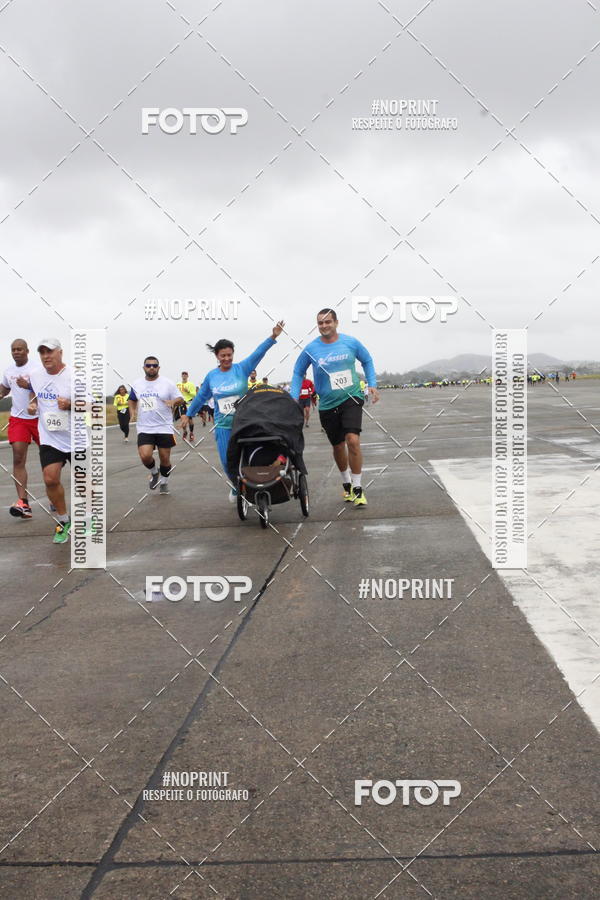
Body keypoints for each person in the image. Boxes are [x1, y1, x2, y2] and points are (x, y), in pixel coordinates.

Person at [182, 321, 284, 501]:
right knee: (228, 463)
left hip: (246, 422)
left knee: (255, 456)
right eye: (223, 356)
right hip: (223, 426)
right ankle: (237, 485)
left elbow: (259, 353)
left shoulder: (242, 368)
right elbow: (201, 397)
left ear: (233, 354)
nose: (227, 359)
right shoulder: (212, 376)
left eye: (229, 355)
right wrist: (188, 414)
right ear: (216, 356)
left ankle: (259, 484)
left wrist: (273, 336)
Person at [290, 309, 379, 506]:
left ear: (336, 322)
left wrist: (372, 383)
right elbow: (298, 372)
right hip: (328, 404)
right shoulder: (311, 349)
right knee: (338, 445)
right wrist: (292, 397)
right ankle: (346, 483)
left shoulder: (350, 342)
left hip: (351, 397)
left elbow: (367, 360)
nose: (324, 326)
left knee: (352, 440)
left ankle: (357, 487)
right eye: (320, 323)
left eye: (327, 322)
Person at [22, 339, 73, 543]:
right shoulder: (35, 376)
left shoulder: (75, 376)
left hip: (76, 437)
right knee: (50, 478)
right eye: (42, 352)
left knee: (84, 484)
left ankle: (88, 518)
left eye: (49, 352)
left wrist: (69, 404)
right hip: (50, 437)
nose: (46, 356)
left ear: (60, 352)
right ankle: (63, 520)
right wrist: (32, 405)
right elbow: (34, 395)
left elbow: (92, 405)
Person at [129, 357, 183, 494]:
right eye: (148, 365)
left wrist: (172, 402)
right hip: (144, 427)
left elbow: (180, 399)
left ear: (159, 367)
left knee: (165, 458)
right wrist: (132, 412)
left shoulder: (168, 383)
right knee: (145, 456)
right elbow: (132, 400)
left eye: (154, 365)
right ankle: (154, 472)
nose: (151, 367)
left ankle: (164, 482)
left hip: (164, 426)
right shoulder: (137, 384)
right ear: (144, 368)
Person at [0, 339, 40, 518]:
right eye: (13, 349)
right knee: (17, 457)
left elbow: (48, 388)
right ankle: (23, 502)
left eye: (20, 349)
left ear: (27, 351)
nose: (16, 352)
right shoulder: (8, 371)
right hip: (18, 418)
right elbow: (4, 388)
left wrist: (29, 386)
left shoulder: (37, 369)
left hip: (40, 418)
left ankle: (55, 496)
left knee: (51, 458)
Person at [176, 371, 197, 441]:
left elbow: (194, 394)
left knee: (190, 420)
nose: (184, 376)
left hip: (189, 404)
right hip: (182, 404)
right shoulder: (178, 384)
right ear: (181, 376)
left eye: (185, 375)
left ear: (187, 376)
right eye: (183, 375)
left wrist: (188, 391)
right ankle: (185, 431)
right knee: (183, 419)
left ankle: (191, 433)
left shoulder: (190, 384)